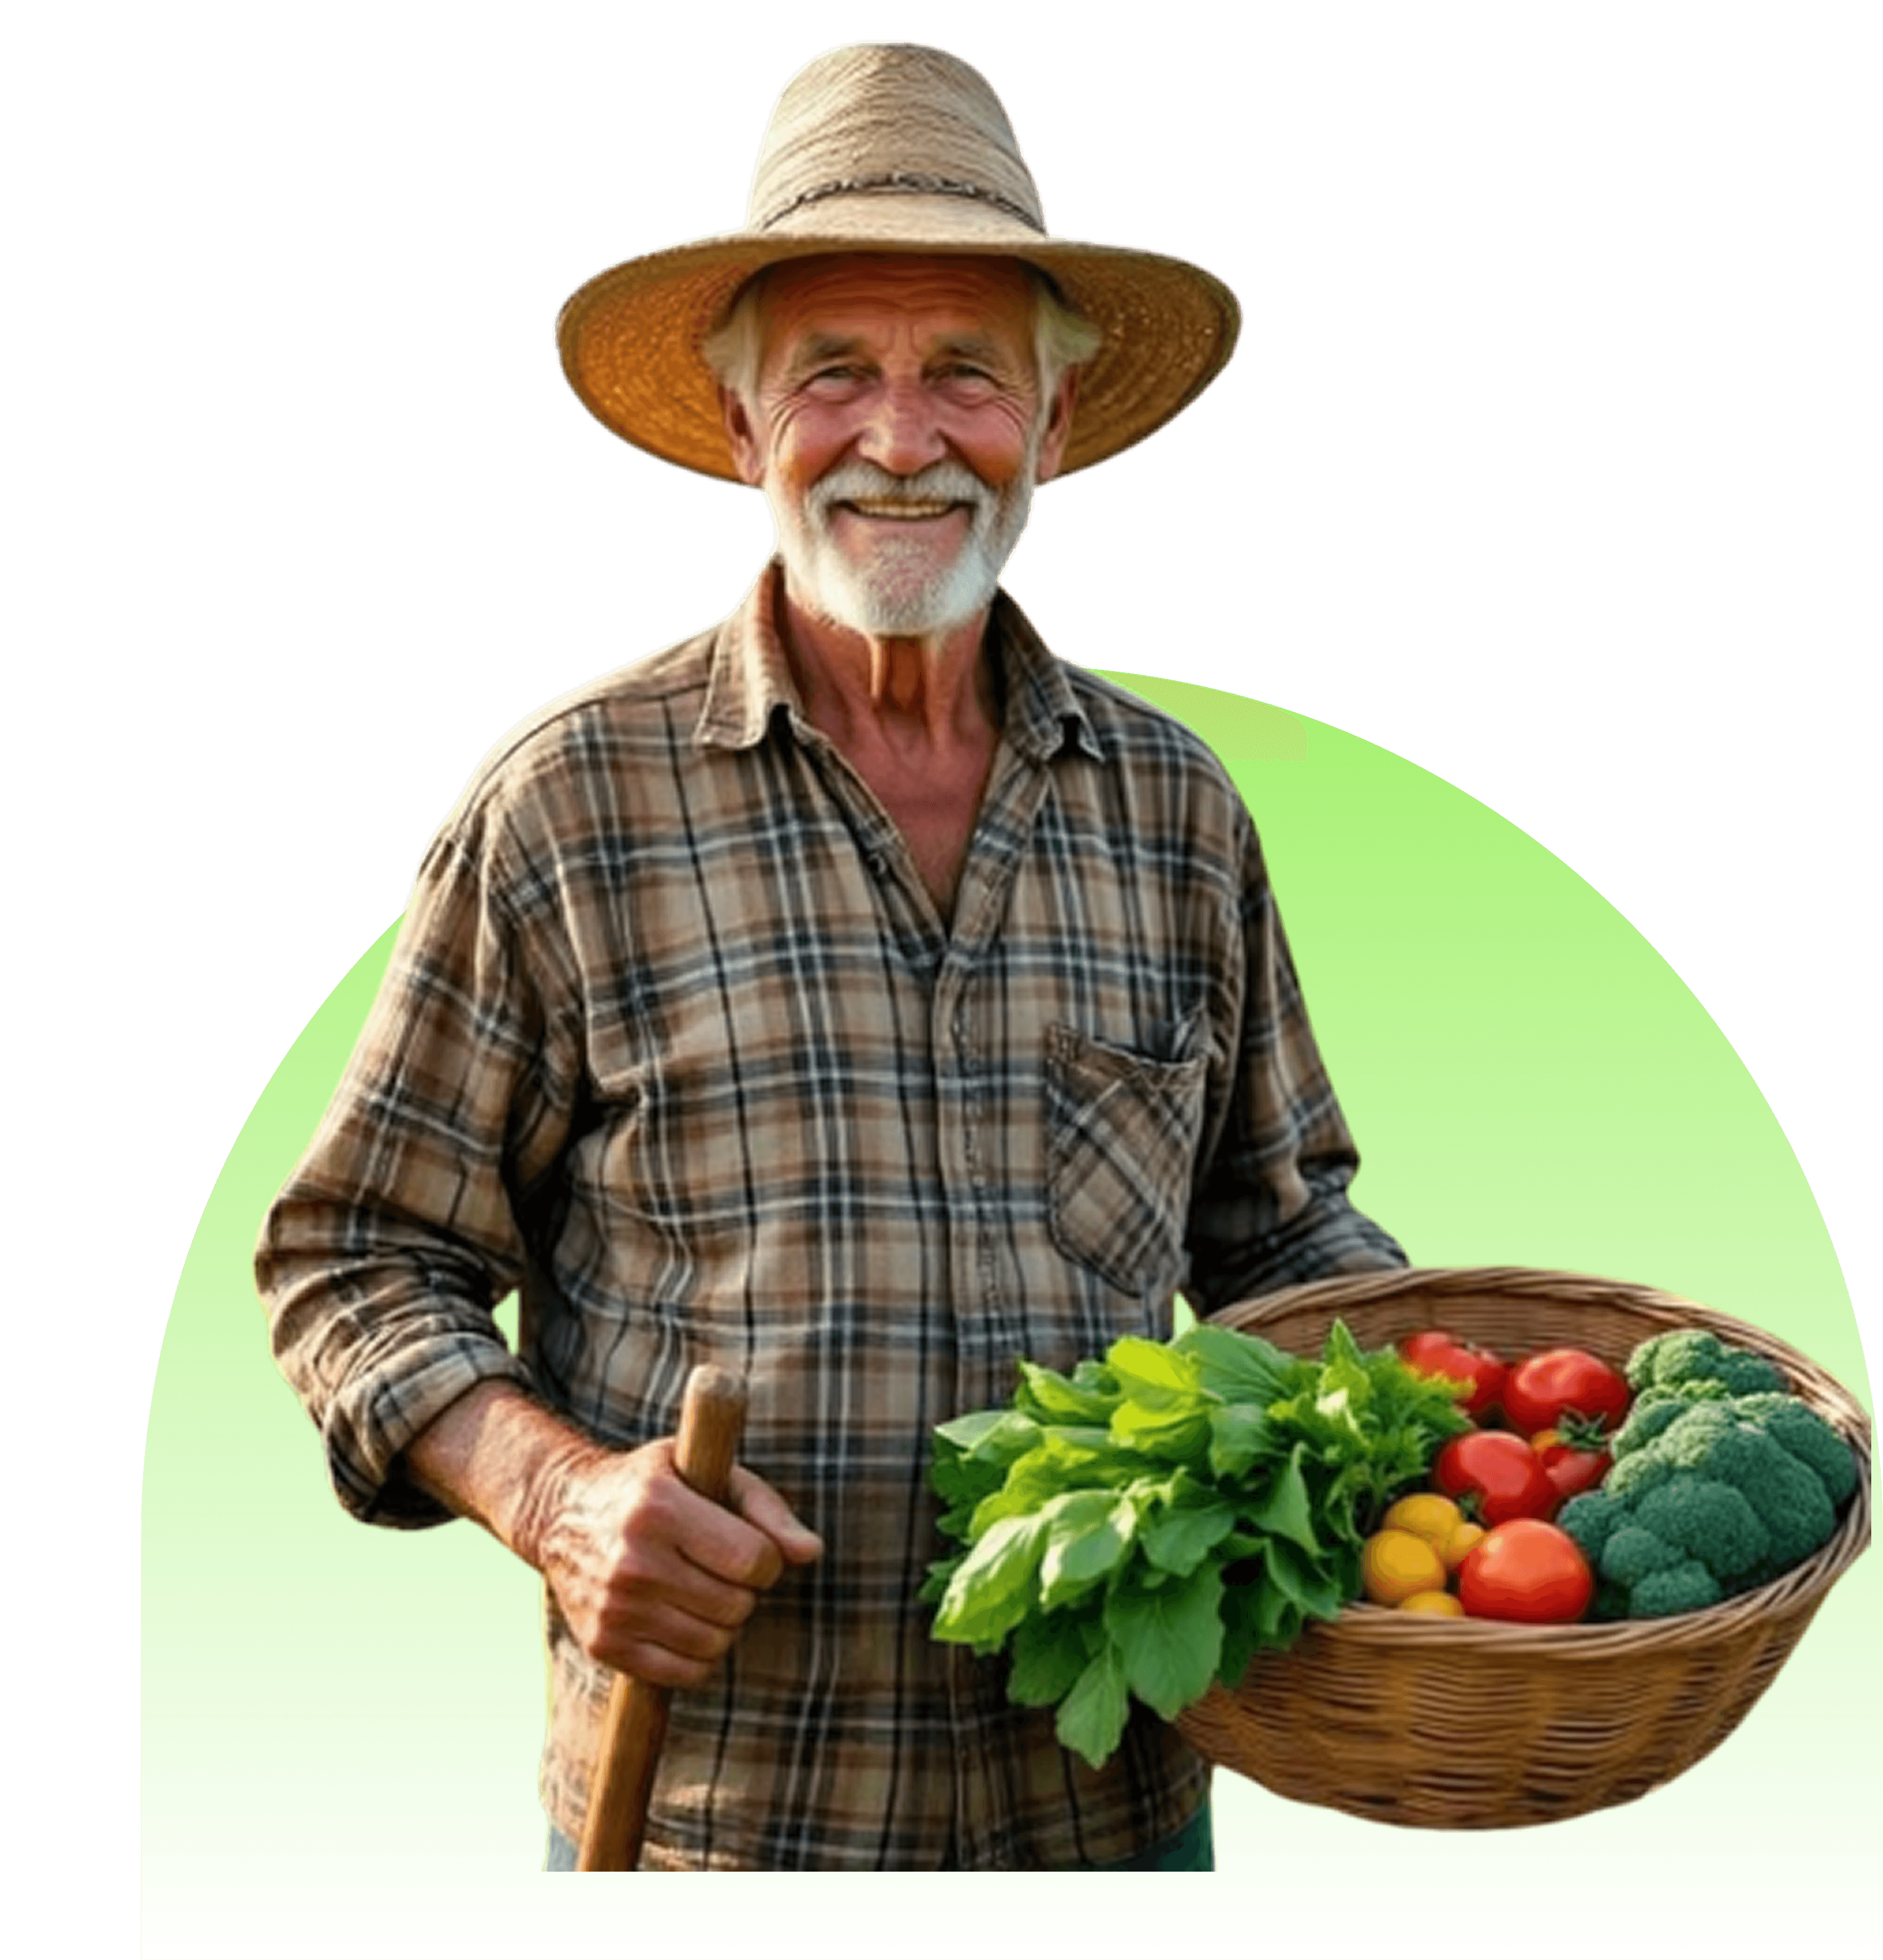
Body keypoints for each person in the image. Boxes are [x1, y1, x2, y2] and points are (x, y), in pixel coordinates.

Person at [256, 39, 1407, 1872]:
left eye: (965, 372)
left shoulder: (1176, 813)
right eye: (833, 377)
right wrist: (556, 1494)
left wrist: (1482, 1414)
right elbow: (353, 1259)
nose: (900, 437)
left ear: (1052, 425)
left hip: (1108, 1822)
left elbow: (1283, 1242)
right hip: (717, 1834)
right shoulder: (570, 803)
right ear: (738, 432)